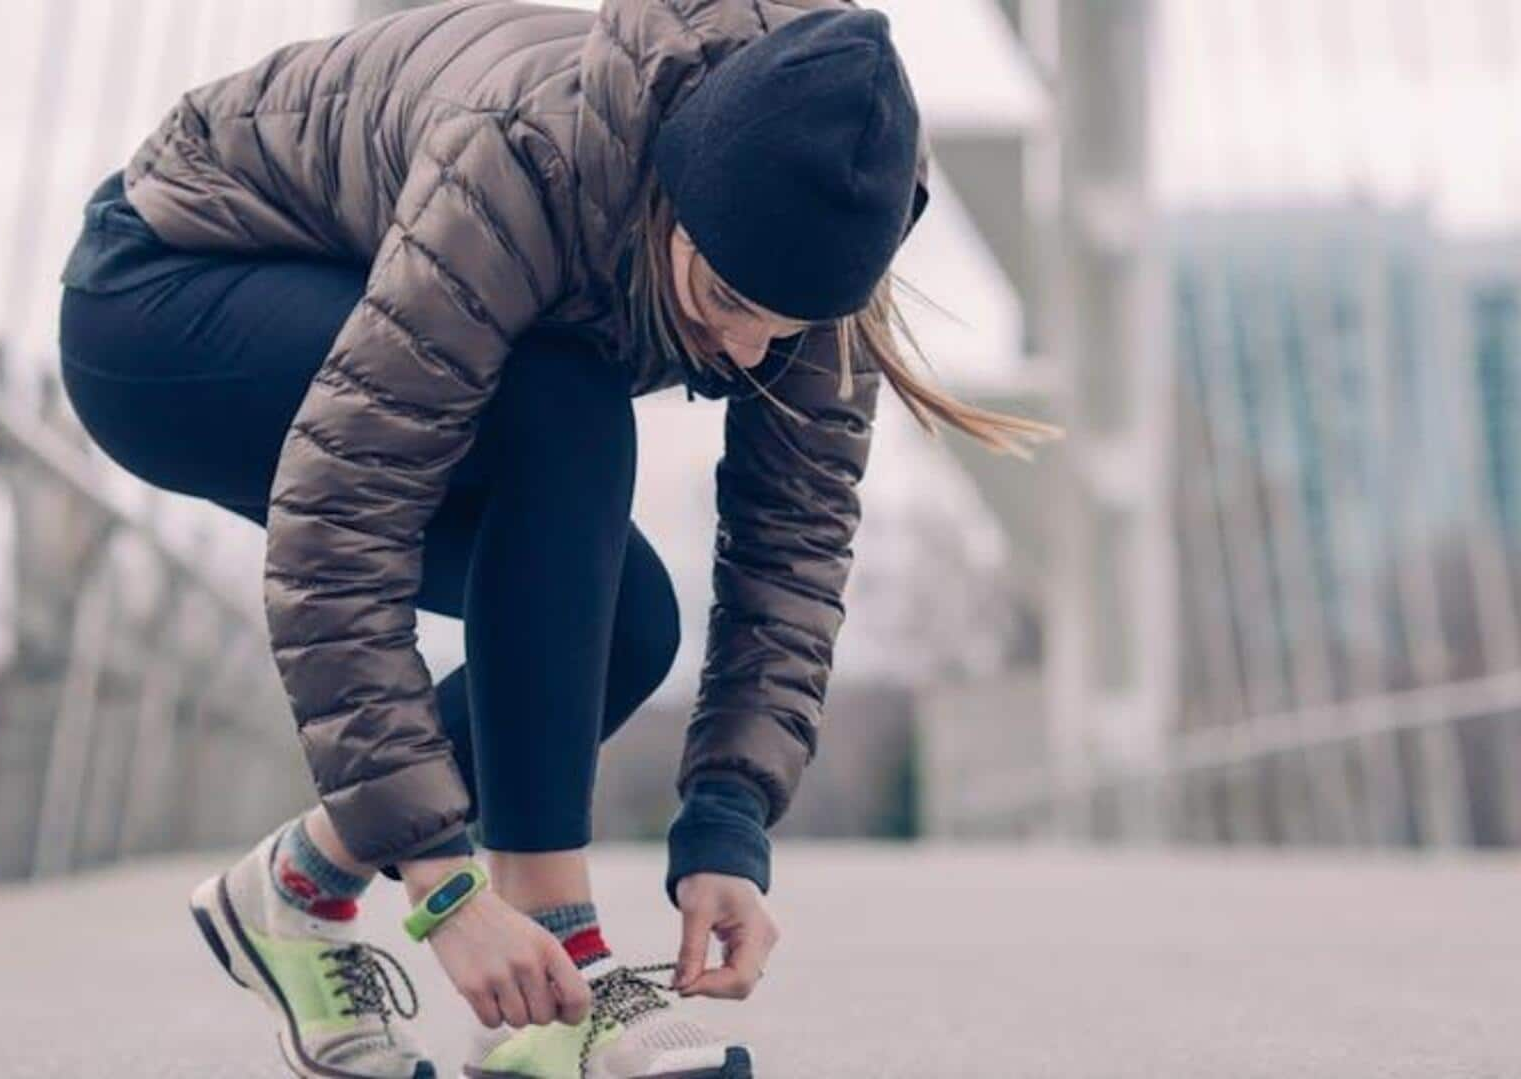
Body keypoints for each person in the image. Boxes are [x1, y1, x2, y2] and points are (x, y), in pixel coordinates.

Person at [56, 2, 1054, 1077]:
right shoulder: (526, 160)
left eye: (789, 324)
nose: (747, 346)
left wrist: (728, 823)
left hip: (353, 320)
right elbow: (343, 530)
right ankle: (562, 967)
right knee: (565, 397)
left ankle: (297, 885)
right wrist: (445, 883)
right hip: (163, 296)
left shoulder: (818, 254)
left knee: (622, 621)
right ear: (676, 197)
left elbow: (794, 546)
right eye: (723, 296)